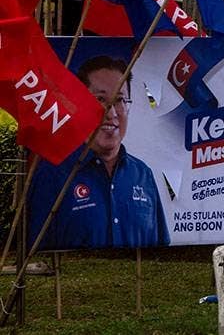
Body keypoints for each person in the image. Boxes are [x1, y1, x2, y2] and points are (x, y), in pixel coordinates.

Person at [27, 55, 170, 250]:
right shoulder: (53, 176)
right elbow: (36, 259)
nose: (111, 113)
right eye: (100, 99)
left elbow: (159, 252)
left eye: (120, 100)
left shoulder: (143, 175)